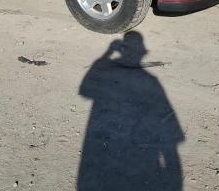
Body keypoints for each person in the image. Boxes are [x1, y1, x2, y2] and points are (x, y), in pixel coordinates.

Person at [77, 31, 184, 190]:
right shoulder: (151, 81)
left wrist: (107, 53)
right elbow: (171, 134)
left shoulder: (112, 72)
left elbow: (85, 90)